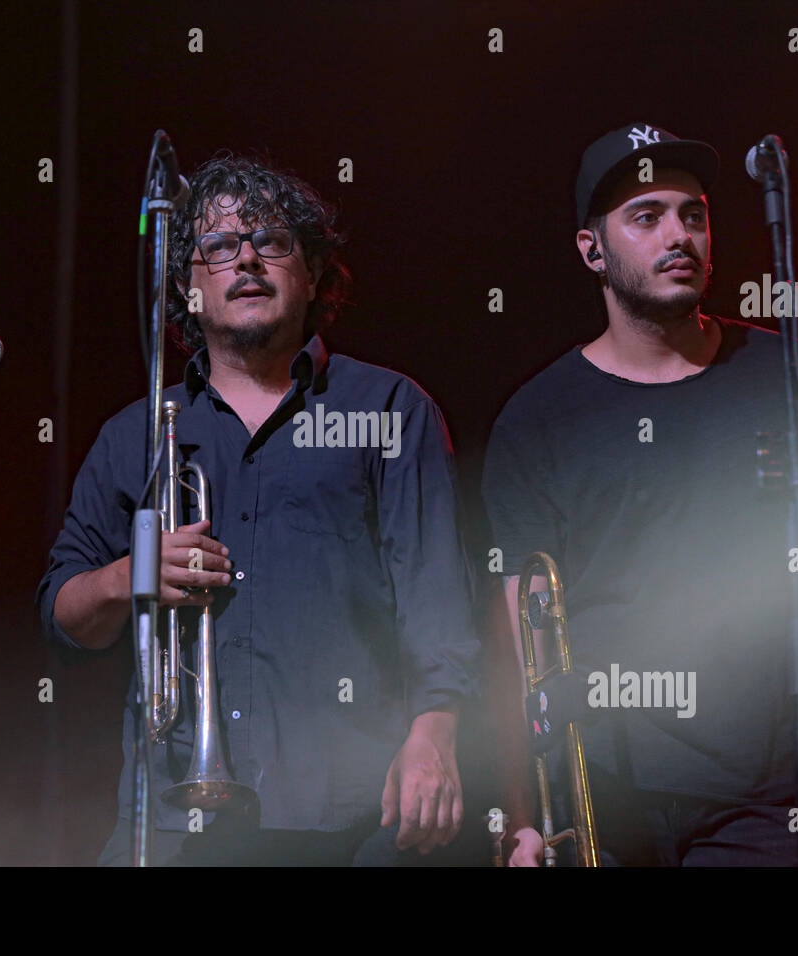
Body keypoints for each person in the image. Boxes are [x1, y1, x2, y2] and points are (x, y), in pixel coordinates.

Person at [482, 123, 798, 866]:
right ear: (592, 250)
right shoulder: (538, 417)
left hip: (760, 797)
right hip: (602, 802)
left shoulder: (787, 375)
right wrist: (520, 816)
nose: (678, 234)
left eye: (693, 214)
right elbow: (516, 641)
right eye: (646, 217)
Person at [36, 152, 480, 866]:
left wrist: (435, 736)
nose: (246, 259)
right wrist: (132, 573)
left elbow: (438, 602)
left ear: (310, 275)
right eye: (219, 247)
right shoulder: (138, 432)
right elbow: (63, 617)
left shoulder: (389, 408)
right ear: (188, 290)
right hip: (175, 817)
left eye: (272, 242)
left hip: (352, 813)